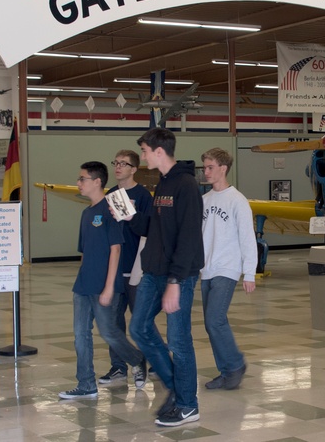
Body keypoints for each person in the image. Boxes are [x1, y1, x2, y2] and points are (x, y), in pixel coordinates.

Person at [128, 127, 204, 427]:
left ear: (159, 151)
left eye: (145, 150)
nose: (143, 155)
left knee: (179, 341)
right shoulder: (162, 184)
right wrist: (130, 217)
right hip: (154, 272)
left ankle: (188, 405)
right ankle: (176, 388)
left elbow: (188, 238)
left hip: (178, 275)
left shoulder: (186, 185)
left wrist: (174, 282)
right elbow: (156, 230)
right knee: (139, 328)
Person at [59, 161, 147, 400]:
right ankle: (86, 383)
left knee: (108, 332)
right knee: (81, 335)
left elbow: (116, 249)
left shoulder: (110, 209)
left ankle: (137, 358)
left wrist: (109, 287)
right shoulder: (86, 213)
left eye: (82, 179)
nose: (78, 183)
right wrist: (81, 280)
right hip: (84, 285)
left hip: (105, 285)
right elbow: (85, 252)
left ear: (97, 182)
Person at [199, 148, 256, 391]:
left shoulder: (237, 200)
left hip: (227, 268)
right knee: (210, 322)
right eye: (205, 167)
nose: (206, 172)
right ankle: (227, 371)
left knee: (215, 319)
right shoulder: (204, 200)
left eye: (210, 167)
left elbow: (247, 237)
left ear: (223, 168)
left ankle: (234, 365)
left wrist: (249, 272)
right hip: (207, 269)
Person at [100, 149, 153, 389]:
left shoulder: (143, 195)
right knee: (112, 322)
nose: (118, 167)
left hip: (136, 267)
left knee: (141, 322)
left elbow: (149, 229)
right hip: (115, 266)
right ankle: (119, 366)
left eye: (124, 163)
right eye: (116, 162)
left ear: (134, 169)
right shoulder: (111, 193)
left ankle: (151, 363)